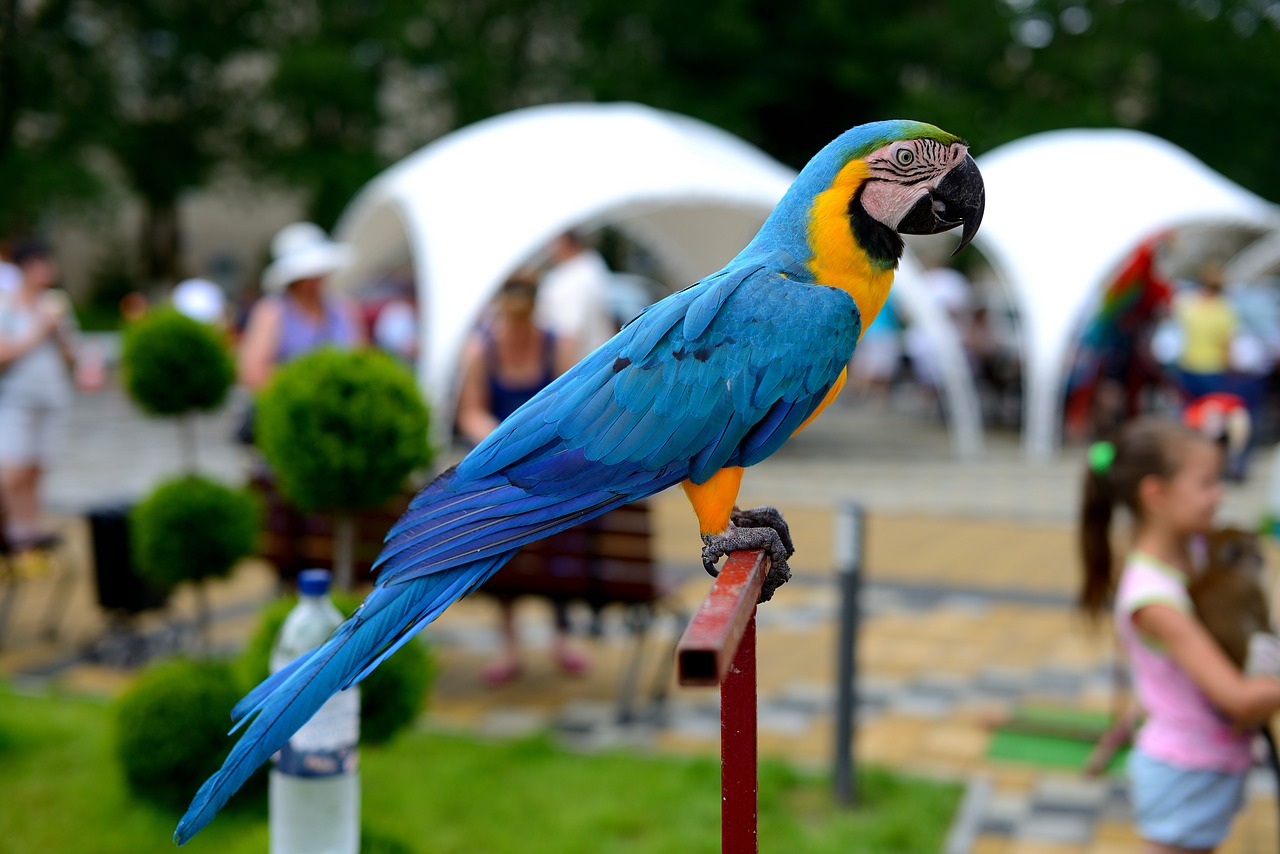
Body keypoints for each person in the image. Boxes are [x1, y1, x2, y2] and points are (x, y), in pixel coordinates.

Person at [1079, 418, 1280, 853]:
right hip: (1185, 771)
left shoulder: (1195, 550)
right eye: (1207, 483)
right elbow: (1239, 698)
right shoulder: (1154, 599)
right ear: (1156, 494)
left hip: (1206, 762)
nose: (1219, 494)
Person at [456, 272, 584, 684]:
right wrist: (500, 441)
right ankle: (514, 643)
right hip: (510, 473)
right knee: (504, 535)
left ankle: (557, 637)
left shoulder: (555, 346)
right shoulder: (483, 352)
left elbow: (573, 408)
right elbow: (470, 412)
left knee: (555, 536)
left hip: (548, 471)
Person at [235, 223, 364, 443]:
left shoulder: (343, 310)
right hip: (290, 420)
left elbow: (361, 359)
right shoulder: (272, 313)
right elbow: (252, 372)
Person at [0, 240, 77, 574]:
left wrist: (59, 333)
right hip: (17, 397)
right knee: (13, 468)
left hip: (51, 396)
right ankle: (10, 531)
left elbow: (72, 358)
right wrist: (37, 329)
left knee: (37, 467)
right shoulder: (7, 305)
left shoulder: (56, 304)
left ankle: (29, 533)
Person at [534, 231, 615, 365]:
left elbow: (568, 336)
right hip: (595, 361)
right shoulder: (592, 267)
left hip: (579, 368)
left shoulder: (575, 278)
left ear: (562, 242)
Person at [1173, 263, 1237, 403]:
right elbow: (1226, 344)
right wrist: (1230, 368)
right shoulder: (1225, 309)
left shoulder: (1188, 303)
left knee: (1190, 409)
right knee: (1210, 409)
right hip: (1212, 368)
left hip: (1189, 365)